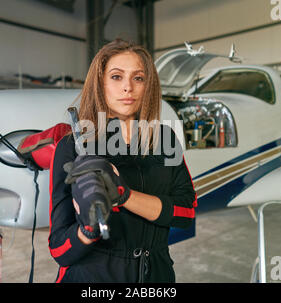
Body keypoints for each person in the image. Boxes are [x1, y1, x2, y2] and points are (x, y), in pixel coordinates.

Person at [48, 39, 197, 283]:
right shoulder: (71, 147)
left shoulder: (165, 138)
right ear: (100, 83)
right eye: (116, 77)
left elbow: (186, 213)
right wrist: (88, 228)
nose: (128, 87)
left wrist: (124, 195)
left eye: (138, 78)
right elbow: (59, 250)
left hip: (157, 276)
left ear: (148, 85)